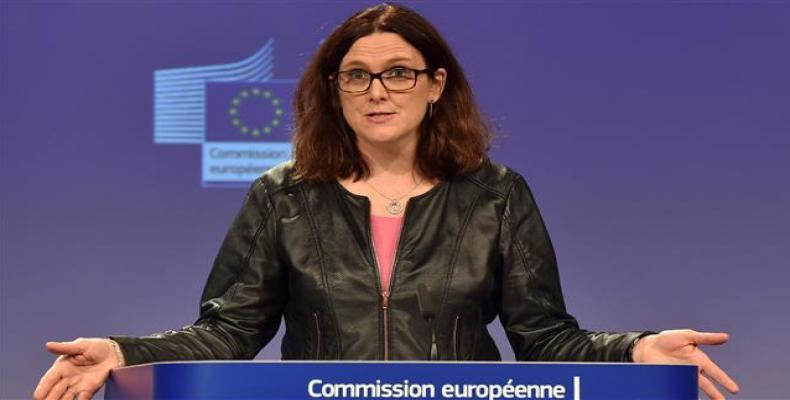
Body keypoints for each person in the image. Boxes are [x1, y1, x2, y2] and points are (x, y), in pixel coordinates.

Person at [34, 3, 740, 400]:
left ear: (436, 85)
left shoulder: (496, 195)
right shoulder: (283, 198)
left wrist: (636, 350)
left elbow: (544, 337)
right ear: (333, 92)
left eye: (398, 74)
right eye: (357, 76)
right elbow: (227, 331)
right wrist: (121, 349)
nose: (377, 92)